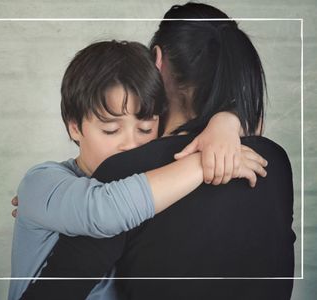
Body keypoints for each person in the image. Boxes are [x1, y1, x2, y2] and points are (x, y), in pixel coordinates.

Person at [19, 3, 295, 300]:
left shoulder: (129, 169)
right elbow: (100, 209)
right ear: (74, 127)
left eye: (144, 127)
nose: (129, 143)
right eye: (111, 129)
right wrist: (213, 146)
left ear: (157, 62)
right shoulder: (273, 162)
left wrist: (222, 129)